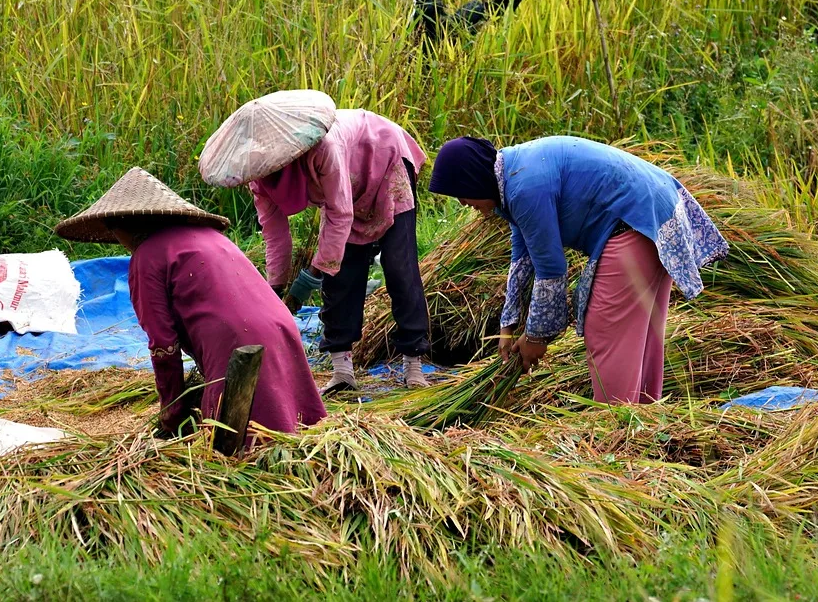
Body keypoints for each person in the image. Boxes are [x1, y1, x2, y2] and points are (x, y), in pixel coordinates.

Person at [427, 136, 729, 404]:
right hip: (653, 216)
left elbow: (551, 269)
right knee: (642, 334)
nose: (463, 203)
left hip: (632, 226)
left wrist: (536, 339)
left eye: (460, 193)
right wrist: (508, 328)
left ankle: (617, 427)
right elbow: (522, 257)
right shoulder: (511, 176)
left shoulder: (523, 187)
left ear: (472, 179)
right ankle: (646, 421)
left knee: (605, 331)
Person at [55, 167, 326, 441]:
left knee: (240, 442)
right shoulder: (211, 237)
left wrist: (172, 411)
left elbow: (163, 344)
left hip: (235, 340)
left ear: (124, 225)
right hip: (282, 327)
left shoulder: (147, 256)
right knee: (294, 428)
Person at [251, 109, 430, 392]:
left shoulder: (322, 148)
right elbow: (275, 235)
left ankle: (413, 363)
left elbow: (340, 215)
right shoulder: (258, 178)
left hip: (382, 159)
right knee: (341, 276)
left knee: (399, 267)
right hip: (343, 191)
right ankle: (343, 371)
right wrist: (276, 290)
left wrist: (309, 279)